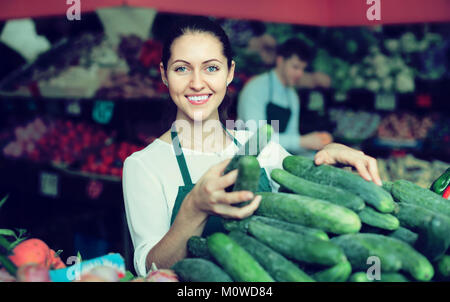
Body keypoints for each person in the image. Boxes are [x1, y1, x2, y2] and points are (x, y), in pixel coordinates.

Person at [122, 16, 382, 277]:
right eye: (182, 68)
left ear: (230, 73)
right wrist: (194, 207)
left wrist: (332, 155)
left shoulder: (260, 145)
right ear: (164, 75)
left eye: (211, 68)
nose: (197, 83)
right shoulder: (144, 165)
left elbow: (308, 197)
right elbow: (148, 268)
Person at [237, 38, 333, 155]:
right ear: (280, 61)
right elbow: (256, 138)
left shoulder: (292, 96)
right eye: (295, 67)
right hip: (244, 157)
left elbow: (292, 138)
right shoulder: (256, 87)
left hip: (274, 159)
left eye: (303, 69)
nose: (299, 74)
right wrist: (303, 141)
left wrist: (317, 146)